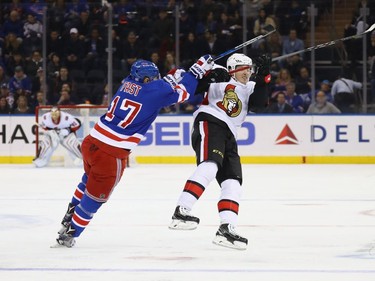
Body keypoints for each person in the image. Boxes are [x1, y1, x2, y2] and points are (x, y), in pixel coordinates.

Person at [53, 56, 214, 248]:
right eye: (153, 78)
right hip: (110, 153)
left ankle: (68, 217)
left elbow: (158, 87)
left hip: (92, 143)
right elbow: (183, 93)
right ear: (147, 79)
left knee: (87, 180)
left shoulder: (127, 83)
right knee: (95, 198)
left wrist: (174, 76)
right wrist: (195, 71)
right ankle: (70, 234)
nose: (156, 80)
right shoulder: (154, 91)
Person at [169, 53, 271, 250]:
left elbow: (260, 104)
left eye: (250, 69)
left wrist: (264, 75)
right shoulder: (220, 72)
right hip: (210, 121)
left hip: (230, 134)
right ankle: (182, 210)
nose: (248, 72)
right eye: (244, 68)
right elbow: (189, 83)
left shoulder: (250, 86)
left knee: (233, 181)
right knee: (210, 164)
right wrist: (207, 75)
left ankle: (226, 228)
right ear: (233, 68)